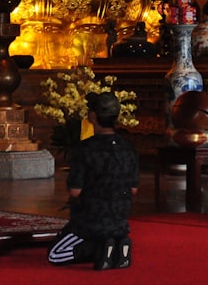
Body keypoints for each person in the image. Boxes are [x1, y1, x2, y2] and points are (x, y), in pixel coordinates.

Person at [47, 91, 139, 270]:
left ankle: (99, 248)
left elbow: (75, 191)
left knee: (55, 254)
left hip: (90, 221)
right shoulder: (128, 148)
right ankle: (117, 245)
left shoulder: (84, 149)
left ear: (93, 116)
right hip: (120, 222)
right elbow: (134, 189)